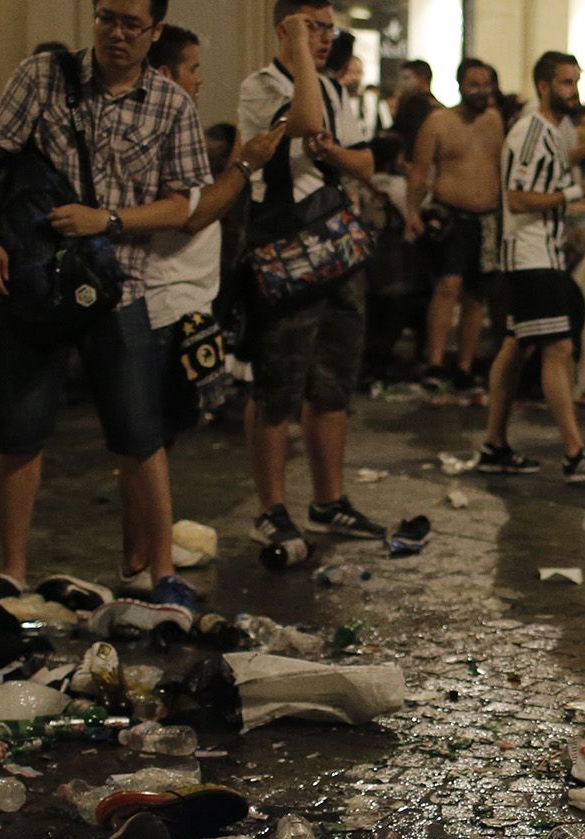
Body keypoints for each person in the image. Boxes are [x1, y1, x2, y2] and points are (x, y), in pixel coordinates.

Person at [0, 0, 213, 612]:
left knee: (139, 437)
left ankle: (158, 573)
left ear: (154, 31)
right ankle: (11, 570)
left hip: (118, 286)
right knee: (19, 430)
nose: (116, 33)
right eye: (106, 18)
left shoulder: (170, 104)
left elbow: (182, 205)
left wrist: (109, 220)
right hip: (37, 282)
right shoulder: (43, 77)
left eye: (131, 23)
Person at [238, 0, 388, 556]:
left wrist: (335, 153)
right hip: (283, 248)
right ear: (287, 30)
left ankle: (329, 500)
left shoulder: (332, 88)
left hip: (335, 249)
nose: (325, 39)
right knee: (278, 381)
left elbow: (365, 162)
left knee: (334, 381)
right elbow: (303, 124)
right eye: (313, 28)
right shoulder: (260, 86)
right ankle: (270, 508)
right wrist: (300, 56)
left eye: (329, 29)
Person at [463, 50, 585, 481]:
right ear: (544, 86)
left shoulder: (557, 129)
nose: (575, 91)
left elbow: (558, 165)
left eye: (576, 81)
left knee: (516, 348)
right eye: (567, 83)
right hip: (529, 254)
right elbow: (517, 198)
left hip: (546, 253)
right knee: (559, 347)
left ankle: (495, 443)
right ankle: (574, 453)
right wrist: (574, 194)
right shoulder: (529, 130)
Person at [146, 26, 283, 432]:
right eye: (194, 67)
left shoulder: (175, 122)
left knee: (170, 425)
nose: (200, 78)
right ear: (167, 74)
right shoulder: (159, 129)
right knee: (158, 428)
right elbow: (193, 215)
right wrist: (244, 164)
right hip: (167, 299)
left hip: (187, 298)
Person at [404, 58, 505, 382]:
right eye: (474, 84)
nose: (481, 91)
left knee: (477, 294)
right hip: (451, 215)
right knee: (448, 285)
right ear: (460, 85)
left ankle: (464, 365)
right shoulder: (439, 122)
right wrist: (412, 212)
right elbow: (419, 172)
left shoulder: (495, 120)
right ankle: (435, 361)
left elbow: (501, 168)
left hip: (487, 218)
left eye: (485, 84)